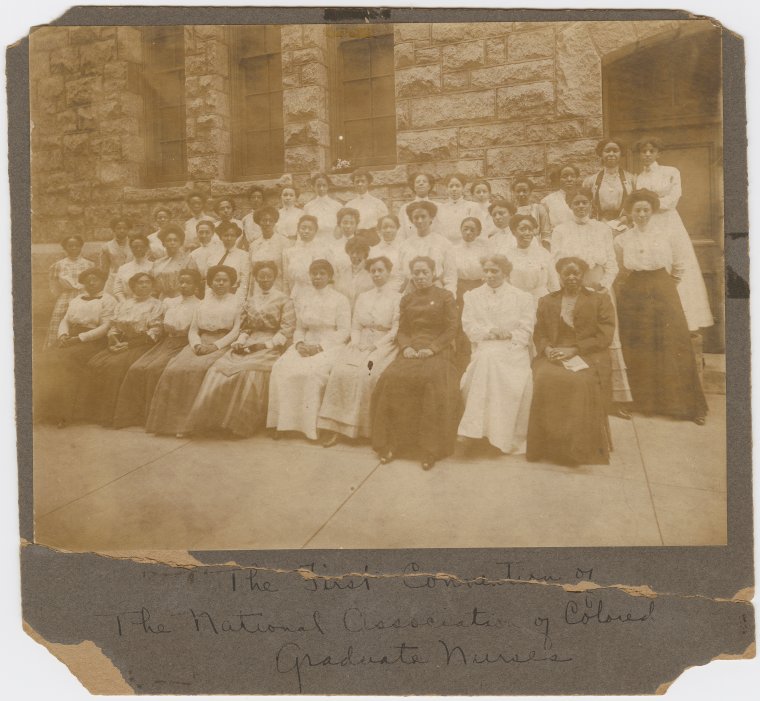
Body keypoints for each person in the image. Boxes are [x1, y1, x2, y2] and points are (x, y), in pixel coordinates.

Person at [615, 189, 708, 424]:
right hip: (635, 290)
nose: (642, 214)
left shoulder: (667, 234)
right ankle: (644, 402)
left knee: (671, 341)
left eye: (646, 209)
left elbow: (680, 264)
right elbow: (620, 266)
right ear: (630, 212)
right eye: (638, 210)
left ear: (653, 211)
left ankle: (683, 406)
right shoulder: (622, 238)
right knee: (639, 343)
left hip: (662, 287)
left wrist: (666, 284)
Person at [184, 261, 296, 437]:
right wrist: (242, 340)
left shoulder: (284, 300)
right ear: (256, 278)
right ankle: (214, 422)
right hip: (249, 341)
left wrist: (267, 344)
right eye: (261, 276)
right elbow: (245, 327)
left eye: (268, 276)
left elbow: (287, 329)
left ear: (275, 277)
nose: (265, 280)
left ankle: (237, 424)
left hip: (272, 343)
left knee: (247, 373)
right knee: (218, 370)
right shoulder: (250, 300)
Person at [371, 256, 461, 470]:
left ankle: (429, 448)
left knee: (430, 381)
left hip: (438, 350)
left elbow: (451, 329)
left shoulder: (446, 296)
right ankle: (392, 443)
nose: (420, 277)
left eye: (424, 273)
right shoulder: (407, 298)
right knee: (392, 378)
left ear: (434, 274)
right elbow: (403, 330)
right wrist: (407, 347)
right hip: (411, 349)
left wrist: (433, 348)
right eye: (416, 273)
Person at [551, 187, 633, 418]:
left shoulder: (602, 230)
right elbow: (554, 262)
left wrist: (602, 287)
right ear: (569, 205)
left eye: (585, 202)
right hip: (570, 289)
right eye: (576, 202)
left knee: (605, 339)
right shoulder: (560, 230)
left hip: (598, 290)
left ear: (591, 205)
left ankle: (615, 399)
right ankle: (578, 397)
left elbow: (612, 264)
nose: (580, 207)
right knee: (575, 337)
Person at [526, 257, 615, 466]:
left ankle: (575, 450)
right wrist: (547, 349)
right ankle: (548, 447)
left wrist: (574, 350)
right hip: (554, 353)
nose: (572, 277)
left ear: (583, 275)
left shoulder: (599, 300)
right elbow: (539, 333)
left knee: (579, 383)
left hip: (588, 354)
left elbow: (605, 336)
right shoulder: (548, 301)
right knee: (544, 378)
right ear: (560, 276)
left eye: (577, 273)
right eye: (567, 273)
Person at [146, 265, 242, 437]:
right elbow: (193, 329)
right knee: (174, 369)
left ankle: (188, 425)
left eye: (224, 280)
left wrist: (215, 346)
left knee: (197, 371)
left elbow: (236, 331)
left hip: (222, 342)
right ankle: (169, 424)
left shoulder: (237, 302)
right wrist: (196, 344)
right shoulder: (203, 302)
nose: (220, 283)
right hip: (199, 342)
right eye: (216, 280)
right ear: (210, 282)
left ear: (231, 283)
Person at [317, 256, 401, 446]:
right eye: (373, 271)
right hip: (360, 341)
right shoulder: (364, 296)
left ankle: (363, 429)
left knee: (367, 374)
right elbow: (355, 325)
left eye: (381, 270)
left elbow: (396, 330)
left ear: (389, 272)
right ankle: (336, 428)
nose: (377, 274)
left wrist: (375, 346)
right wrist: (355, 342)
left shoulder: (397, 297)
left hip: (384, 344)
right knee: (340, 371)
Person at [633, 136, 714, 331]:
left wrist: (651, 204)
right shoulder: (638, 178)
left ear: (658, 153)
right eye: (643, 151)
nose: (647, 154)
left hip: (668, 222)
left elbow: (673, 198)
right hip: (649, 222)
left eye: (651, 151)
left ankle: (685, 320)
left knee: (676, 262)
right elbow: (638, 203)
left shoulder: (670, 172)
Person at [458, 255, 534, 454]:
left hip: (513, 350)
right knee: (486, 359)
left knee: (489, 362)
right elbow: (469, 326)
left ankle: (489, 434)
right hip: (485, 345)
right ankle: (477, 431)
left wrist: (508, 333)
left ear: (506, 273)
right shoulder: (472, 296)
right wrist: (490, 331)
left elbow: (526, 331)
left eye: (495, 271)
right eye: (486, 271)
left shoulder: (523, 297)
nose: (489, 275)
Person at [267, 259, 351, 441]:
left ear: (329, 276)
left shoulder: (340, 299)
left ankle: (310, 427)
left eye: (322, 273)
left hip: (331, 345)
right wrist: (299, 344)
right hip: (306, 342)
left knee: (313, 373)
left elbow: (344, 331)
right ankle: (283, 423)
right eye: (314, 273)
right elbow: (300, 328)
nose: (318, 277)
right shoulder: (304, 298)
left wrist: (320, 347)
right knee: (281, 367)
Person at [111, 269, 202, 428]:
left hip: (184, 343)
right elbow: (160, 326)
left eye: (188, 282)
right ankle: (133, 417)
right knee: (137, 368)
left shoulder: (200, 305)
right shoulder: (170, 302)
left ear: (195, 286)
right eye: (181, 282)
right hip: (166, 342)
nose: (184, 285)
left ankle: (152, 417)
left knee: (155, 370)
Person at [75, 272, 163, 426]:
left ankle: (113, 415)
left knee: (115, 366)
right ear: (132, 286)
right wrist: (113, 339)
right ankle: (92, 413)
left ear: (152, 285)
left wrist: (129, 345)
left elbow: (154, 333)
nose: (143, 285)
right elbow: (115, 326)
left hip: (143, 345)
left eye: (147, 282)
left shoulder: (157, 305)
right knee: (94, 363)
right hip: (121, 342)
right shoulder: (124, 304)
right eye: (139, 282)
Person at [34, 267, 116, 427]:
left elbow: (106, 326)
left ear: (103, 281)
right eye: (88, 280)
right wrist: (63, 335)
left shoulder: (108, 300)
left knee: (64, 363)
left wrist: (79, 338)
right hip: (70, 337)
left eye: (95, 279)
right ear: (83, 282)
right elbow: (65, 320)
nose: (91, 282)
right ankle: (43, 410)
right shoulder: (77, 299)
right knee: (44, 360)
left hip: (93, 340)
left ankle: (63, 414)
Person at [398, 201, 457, 295]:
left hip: (436, 293)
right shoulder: (404, 245)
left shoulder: (444, 244)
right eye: (416, 217)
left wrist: (449, 298)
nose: (420, 221)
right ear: (411, 220)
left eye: (423, 216)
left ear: (431, 217)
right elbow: (400, 276)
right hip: (411, 293)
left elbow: (450, 276)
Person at [45, 235, 93, 348]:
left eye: (76, 246)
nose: (73, 248)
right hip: (66, 296)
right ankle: (55, 347)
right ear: (65, 248)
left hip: (84, 295)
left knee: (84, 319)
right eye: (70, 246)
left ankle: (81, 346)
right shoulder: (59, 265)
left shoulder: (89, 264)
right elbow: (53, 285)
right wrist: (59, 295)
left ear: (81, 247)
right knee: (60, 318)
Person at [583, 137, 635, 230]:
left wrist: (627, 217)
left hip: (624, 224)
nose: (611, 154)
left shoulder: (631, 179)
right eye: (607, 151)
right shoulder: (591, 181)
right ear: (601, 154)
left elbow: (635, 204)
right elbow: (586, 205)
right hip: (599, 225)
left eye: (615, 151)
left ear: (621, 153)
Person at [508, 214, 559, 302]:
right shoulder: (508, 257)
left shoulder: (543, 253)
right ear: (513, 232)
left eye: (530, 229)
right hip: (518, 301)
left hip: (542, 300)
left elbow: (554, 283)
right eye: (523, 229)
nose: (527, 233)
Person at [282, 214, 332, 300]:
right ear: (298, 230)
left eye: (310, 229)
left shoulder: (323, 251)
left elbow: (329, 278)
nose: (306, 231)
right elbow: (286, 280)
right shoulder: (289, 252)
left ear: (315, 231)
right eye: (303, 228)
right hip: (296, 294)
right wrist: (287, 299)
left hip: (318, 294)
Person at [248, 206, 292, 290]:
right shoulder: (253, 245)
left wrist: (286, 294)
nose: (267, 223)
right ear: (259, 222)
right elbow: (251, 274)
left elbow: (287, 272)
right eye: (264, 220)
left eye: (270, 220)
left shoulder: (284, 242)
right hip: (258, 290)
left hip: (278, 288)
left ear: (275, 222)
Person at [345, 168, 388, 243]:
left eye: (363, 181)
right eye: (357, 181)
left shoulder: (378, 203)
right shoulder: (349, 205)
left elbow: (384, 224)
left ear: (368, 183)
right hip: (355, 239)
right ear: (354, 184)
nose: (360, 184)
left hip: (373, 239)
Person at [213, 221, 251, 302]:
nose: (229, 238)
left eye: (232, 235)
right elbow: (209, 280)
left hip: (233, 296)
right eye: (226, 235)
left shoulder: (244, 256)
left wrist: (238, 301)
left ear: (236, 237)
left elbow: (244, 282)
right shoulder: (213, 255)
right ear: (220, 237)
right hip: (214, 296)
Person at [151, 223, 191, 299]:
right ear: (163, 243)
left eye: (175, 240)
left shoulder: (188, 260)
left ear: (181, 243)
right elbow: (154, 286)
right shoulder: (158, 263)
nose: (172, 243)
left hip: (181, 297)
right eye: (168, 240)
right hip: (163, 298)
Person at [334, 237, 373, 310]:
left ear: (365, 253)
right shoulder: (342, 273)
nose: (354, 255)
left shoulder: (371, 272)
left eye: (358, 252)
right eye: (352, 252)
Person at [112, 235, 154, 303]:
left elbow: (157, 289)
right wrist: (125, 303)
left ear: (147, 248)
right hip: (128, 303)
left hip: (150, 303)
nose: (138, 249)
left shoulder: (153, 266)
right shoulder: (123, 268)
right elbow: (118, 290)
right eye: (135, 247)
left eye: (141, 246)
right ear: (131, 248)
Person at [369, 215, 405, 292]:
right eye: (384, 227)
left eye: (392, 227)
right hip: (377, 292)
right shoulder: (373, 251)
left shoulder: (404, 249)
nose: (388, 230)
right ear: (379, 230)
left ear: (397, 229)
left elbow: (407, 277)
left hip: (398, 291)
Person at [511, 176, 551, 246]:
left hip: (536, 246)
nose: (521, 194)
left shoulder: (539, 209)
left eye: (524, 191)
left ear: (530, 192)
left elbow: (546, 234)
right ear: (514, 193)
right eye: (518, 191)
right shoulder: (511, 212)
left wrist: (545, 252)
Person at [398, 171, 438, 240]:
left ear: (429, 186)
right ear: (414, 187)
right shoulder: (404, 208)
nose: (421, 183)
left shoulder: (438, 206)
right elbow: (401, 232)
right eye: (418, 182)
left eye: (424, 181)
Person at [98, 216, 133, 295]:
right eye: (118, 228)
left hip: (131, 279)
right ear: (113, 229)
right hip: (113, 279)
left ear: (128, 229)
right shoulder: (107, 246)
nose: (122, 230)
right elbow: (104, 268)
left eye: (125, 228)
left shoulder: (134, 244)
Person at [437, 173, 475, 244]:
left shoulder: (472, 207)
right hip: (446, 247)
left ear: (463, 188)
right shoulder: (440, 209)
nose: (454, 189)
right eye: (451, 186)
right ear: (446, 189)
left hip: (467, 245)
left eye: (457, 186)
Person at [303, 172, 343, 241]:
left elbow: (341, 227)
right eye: (318, 186)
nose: (321, 188)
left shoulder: (337, 206)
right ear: (313, 187)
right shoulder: (308, 207)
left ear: (328, 186)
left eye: (324, 185)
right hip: (314, 240)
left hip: (332, 240)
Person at [541, 164, 579, 235]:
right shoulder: (547, 201)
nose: (569, 179)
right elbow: (545, 230)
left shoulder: (583, 200)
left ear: (576, 179)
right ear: (558, 179)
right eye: (565, 176)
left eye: (573, 176)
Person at [187, 219, 224, 284]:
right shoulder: (193, 254)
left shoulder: (221, 250)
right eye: (201, 232)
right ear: (197, 233)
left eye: (207, 232)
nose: (204, 235)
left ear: (212, 233)